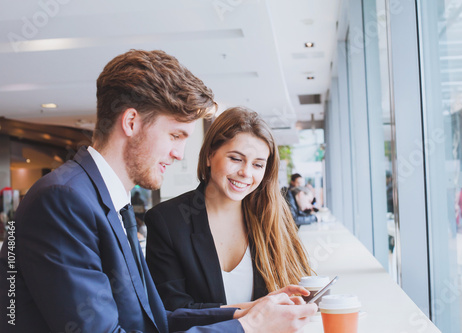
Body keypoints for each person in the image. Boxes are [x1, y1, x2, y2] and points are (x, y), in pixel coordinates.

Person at [0, 50, 316, 333]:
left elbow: (155, 320)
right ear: (132, 122)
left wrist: (248, 311)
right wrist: (252, 326)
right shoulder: (62, 200)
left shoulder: (108, 202)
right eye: (176, 135)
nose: (180, 153)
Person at [145, 107, 313, 311]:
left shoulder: (274, 218)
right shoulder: (168, 221)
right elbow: (172, 312)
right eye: (235, 159)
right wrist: (253, 311)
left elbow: (298, 292)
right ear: (209, 156)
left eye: (258, 165)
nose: (245, 172)